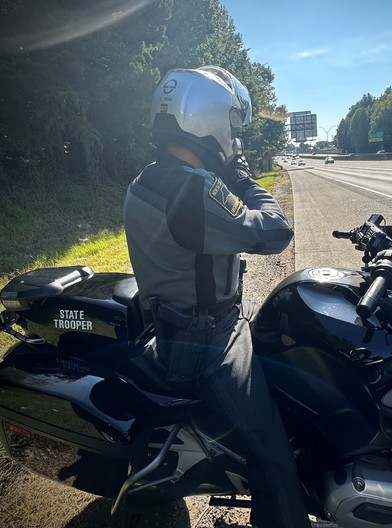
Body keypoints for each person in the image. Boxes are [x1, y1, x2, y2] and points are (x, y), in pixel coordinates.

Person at [124, 66, 311, 528]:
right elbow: (274, 231)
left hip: (193, 322)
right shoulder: (189, 189)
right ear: (206, 118)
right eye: (231, 122)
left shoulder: (153, 178)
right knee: (272, 455)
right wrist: (244, 179)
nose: (234, 136)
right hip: (205, 342)